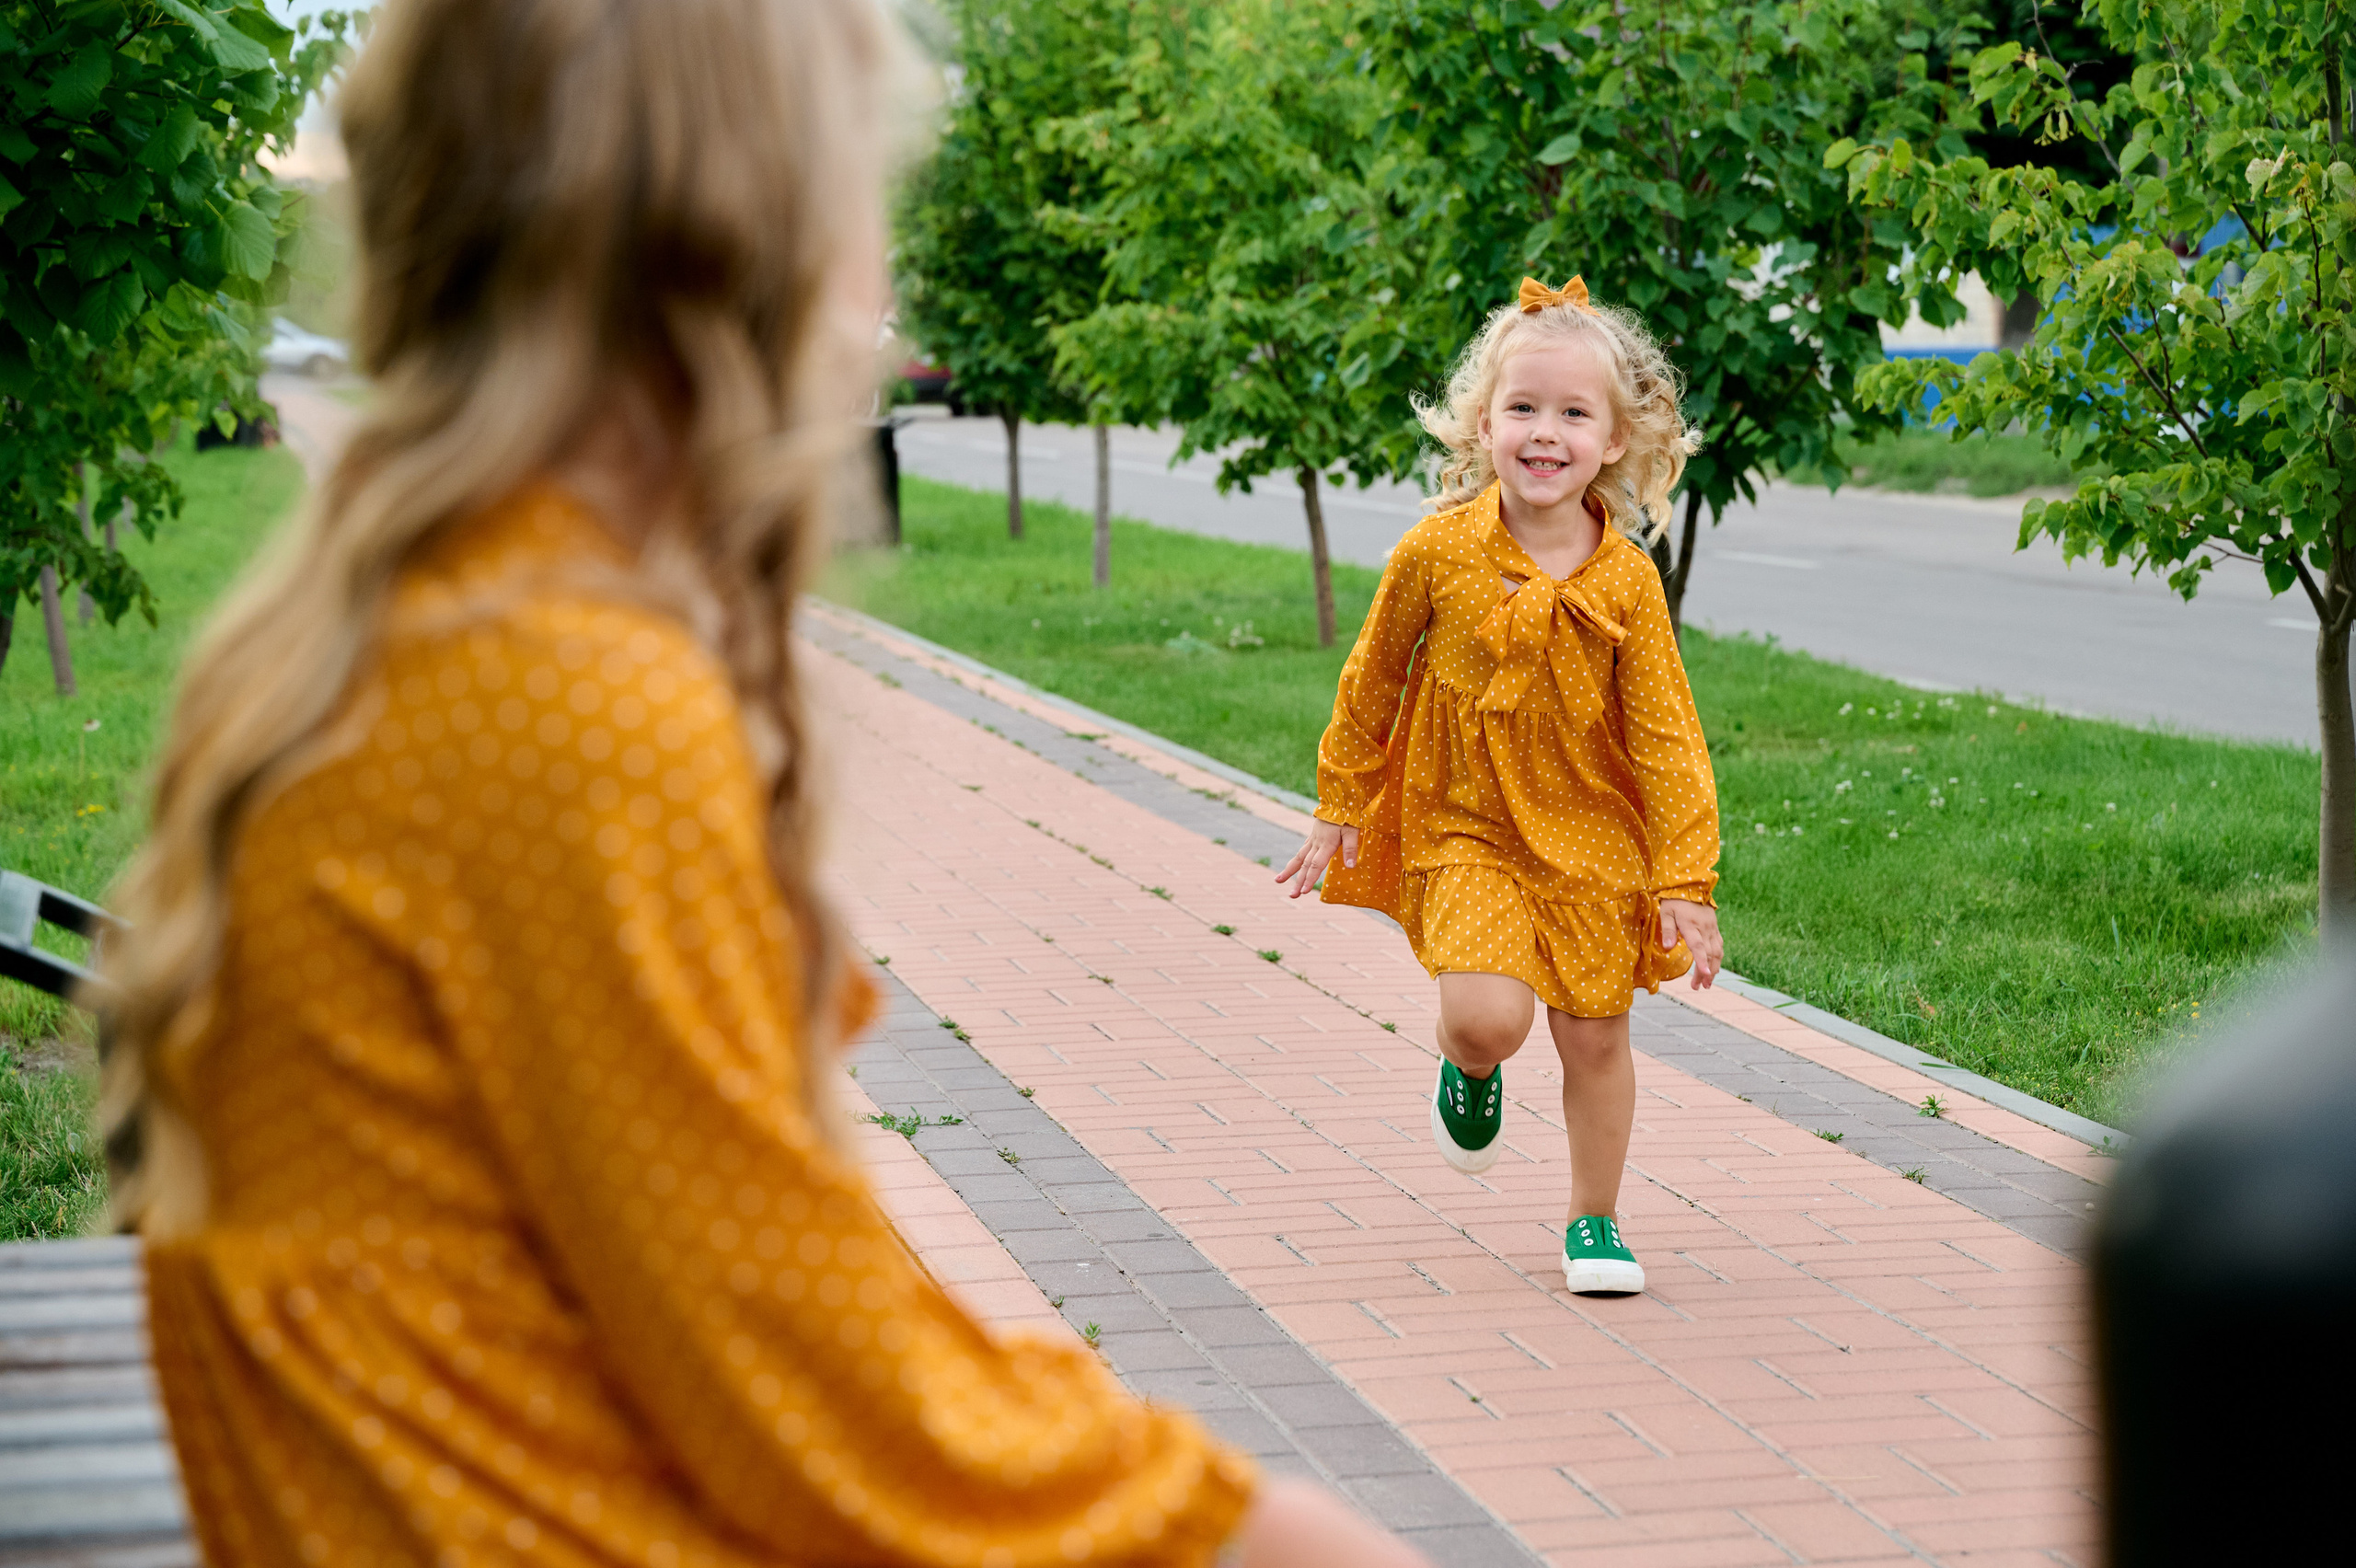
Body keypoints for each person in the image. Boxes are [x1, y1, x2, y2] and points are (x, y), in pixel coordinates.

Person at [98, 3, 1424, 1563]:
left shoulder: (400, 621)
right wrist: (1264, 1527)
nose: (880, 277)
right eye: (863, 197)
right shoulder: (565, 703)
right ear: (735, 242)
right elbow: (830, 1405)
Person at [1277, 276, 1724, 1297]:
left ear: (1614, 440)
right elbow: (1372, 677)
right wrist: (1342, 799)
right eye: (1523, 408)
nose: (1545, 433)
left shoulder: (1628, 579)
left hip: (1591, 831)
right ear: (1484, 424)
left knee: (1593, 1034)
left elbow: (1666, 736)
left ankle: (1595, 1220)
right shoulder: (1436, 550)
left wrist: (1683, 878)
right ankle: (1469, 1066)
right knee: (1489, 1018)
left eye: (1574, 414)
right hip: (1466, 821)